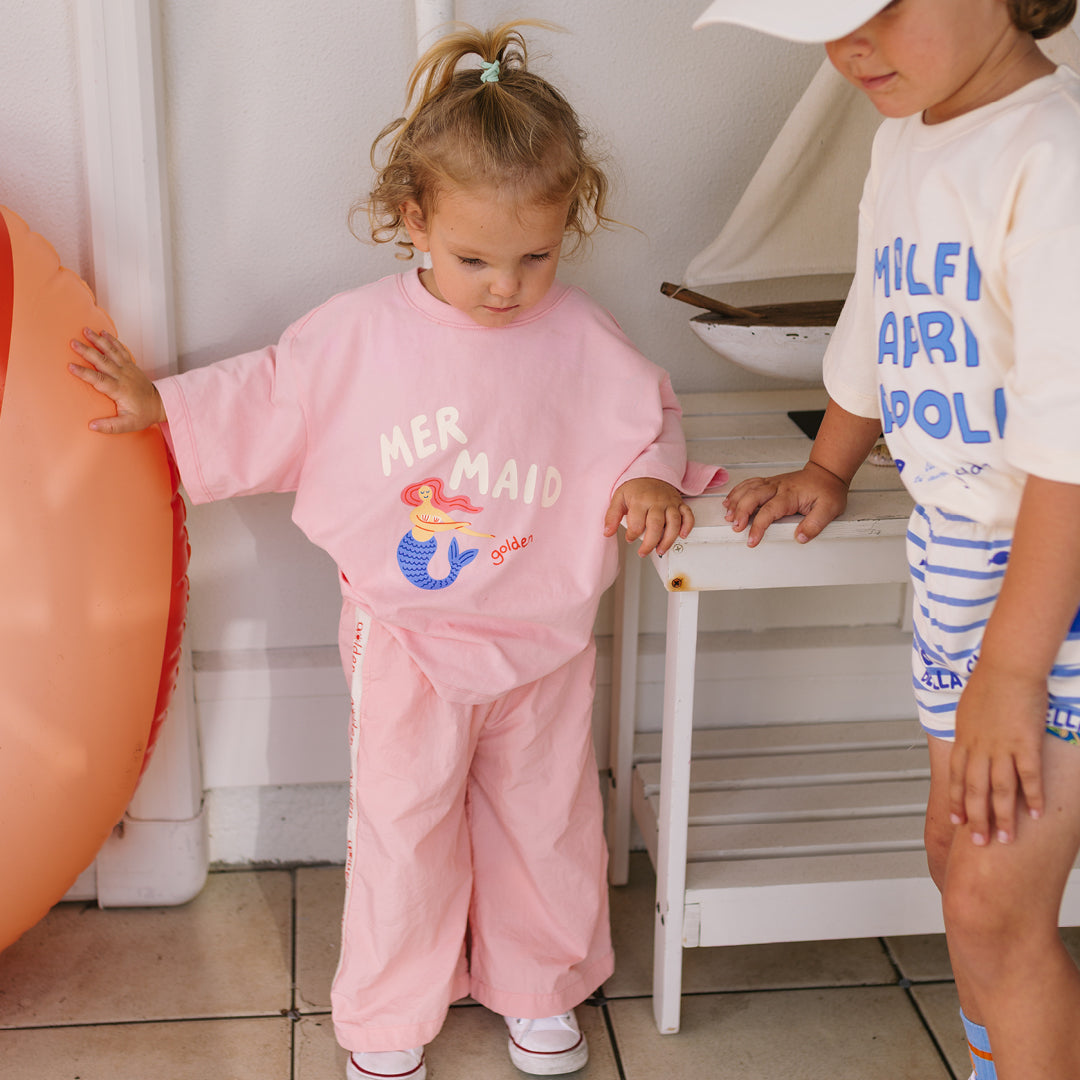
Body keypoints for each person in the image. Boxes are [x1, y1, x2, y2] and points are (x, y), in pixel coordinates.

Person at [70, 21, 723, 1080]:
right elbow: (272, 395)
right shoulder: (358, 336)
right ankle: (386, 1015)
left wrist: (651, 476)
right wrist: (165, 405)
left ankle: (540, 987)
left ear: (569, 225)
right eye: (475, 259)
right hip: (409, 638)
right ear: (415, 220)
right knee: (404, 827)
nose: (506, 287)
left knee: (547, 821)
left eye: (536, 257)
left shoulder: (583, 339)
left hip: (545, 639)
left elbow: (647, 419)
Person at [700, 1, 1080, 1077]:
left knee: (997, 901)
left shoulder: (1054, 157)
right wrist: (829, 465)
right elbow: (879, 321)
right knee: (955, 857)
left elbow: (1072, 444)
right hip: (956, 557)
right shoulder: (908, 140)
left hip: (1050, 577)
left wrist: (1012, 667)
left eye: (881, 4)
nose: (849, 42)